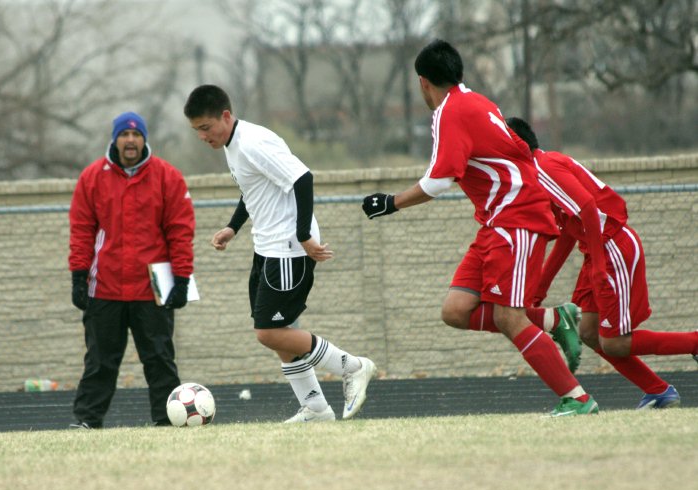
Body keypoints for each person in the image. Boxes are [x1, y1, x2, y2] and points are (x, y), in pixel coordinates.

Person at [361, 39, 598, 417]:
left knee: (508, 317)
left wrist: (391, 202)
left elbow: (439, 181)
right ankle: (555, 319)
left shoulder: (449, 112)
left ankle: (578, 398)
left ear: (423, 82)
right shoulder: (478, 102)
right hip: (496, 222)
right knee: (456, 310)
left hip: (516, 217)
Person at [183, 84, 376, 423]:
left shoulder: (254, 142)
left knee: (269, 332)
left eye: (205, 127)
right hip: (267, 248)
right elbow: (253, 189)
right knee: (279, 332)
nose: (202, 136)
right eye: (196, 130)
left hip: (288, 249)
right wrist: (233, 227)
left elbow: (303, 178)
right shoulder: (233, 144)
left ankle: (354, 367)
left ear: (225, 116)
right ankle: (316, 409)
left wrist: (303, 236)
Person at [506, 116, 697, 409]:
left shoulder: (541, 169)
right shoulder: (540, 169)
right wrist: (540, 287)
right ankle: (658, 391)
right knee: (589, 333)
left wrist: (596, 266)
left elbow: (588, 207)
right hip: (598, 250)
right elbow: (568, 234)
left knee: (615, 342)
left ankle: (694, 342)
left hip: (612, 248)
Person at [68, 111, 196, 428]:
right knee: (100, 361)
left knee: (159, 359)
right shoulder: (92, 178)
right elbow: (81, 231)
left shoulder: (168, 177)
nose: (130, 140)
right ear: (114, 139)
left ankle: (168, 420)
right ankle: (87, 420)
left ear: (144, 140)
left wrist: (181, 279)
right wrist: (78, 276)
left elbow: (180, 232)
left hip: (151, 290)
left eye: (136, 135)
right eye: (124, 134)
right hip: (105, 288)